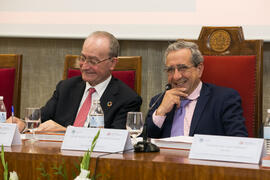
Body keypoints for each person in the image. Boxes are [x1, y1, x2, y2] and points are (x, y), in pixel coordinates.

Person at [7, 31, 142, 132]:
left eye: (93, 61)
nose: (85, 66)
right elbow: (40, 119)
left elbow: (116, 141)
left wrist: (66, 133)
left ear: (112, 63)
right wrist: (22, 124)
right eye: (82, 58)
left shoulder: (127, 99)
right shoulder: (66, 87)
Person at [146, 41, 248, 138]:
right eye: (170, 70)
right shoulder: (158, 101)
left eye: (183, 68)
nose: (176, 76)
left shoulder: (224, 99)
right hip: (165, 157)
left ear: (199, 69)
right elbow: (142, 143)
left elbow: (239, 141)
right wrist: (161, 112)